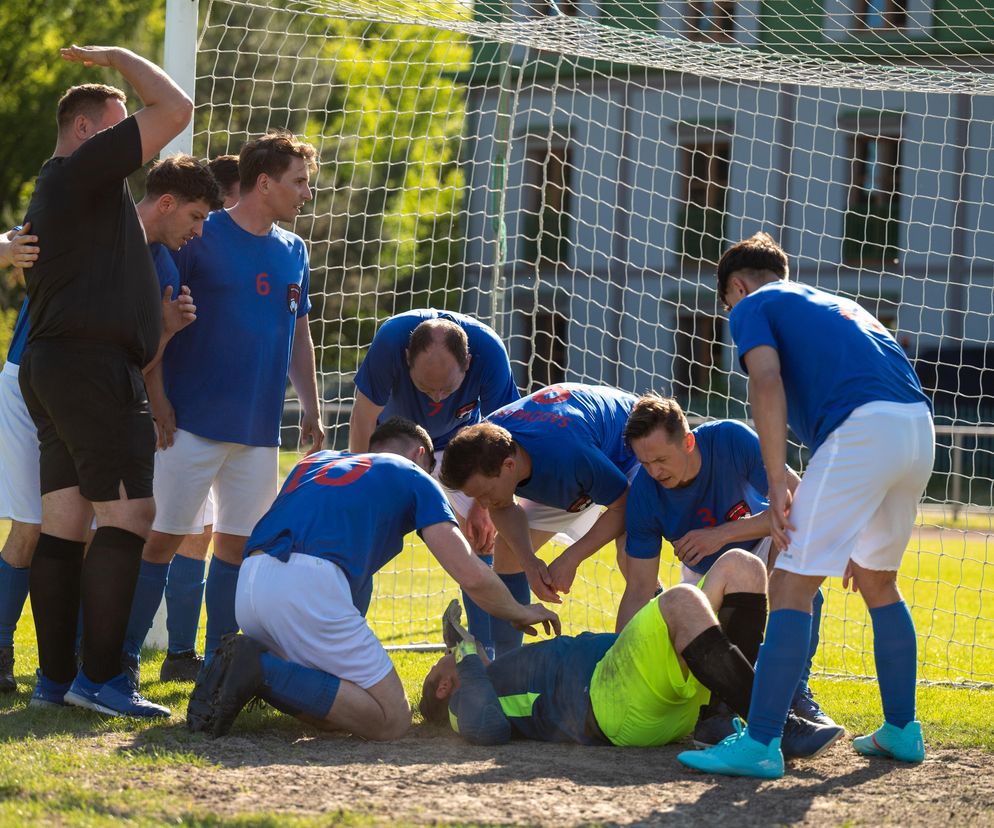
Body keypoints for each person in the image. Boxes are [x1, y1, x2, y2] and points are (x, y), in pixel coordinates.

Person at [679, 232, 933, 779]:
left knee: (790, 584)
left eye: (728, 302)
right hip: (917, 430)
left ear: (737, 288)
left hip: (862, 432)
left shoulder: (753, 305)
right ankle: (901, 730)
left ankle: (762, 741)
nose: (732, 312)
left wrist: (776, 478)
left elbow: (765, 383)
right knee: (877, 580)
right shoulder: (841, 305)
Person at [186, 417, 560, 740]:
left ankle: (251, 665)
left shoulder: (315, 462)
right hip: (306, 587)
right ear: (419, 456)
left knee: (341, 710)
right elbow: (470, 572)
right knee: (391, 719)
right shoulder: (413, 475)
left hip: (251, 586)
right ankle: (260, 668)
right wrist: (518, 610)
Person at [18, 45, 193, 718]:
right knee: (132, 516)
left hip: (55, 364)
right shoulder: (86, 168)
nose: (133, 140)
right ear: (89, 130)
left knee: (65, 525)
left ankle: (56, 681)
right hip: (91, 367)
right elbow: (177, 109)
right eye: (122, 124)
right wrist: (119, 58)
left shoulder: (58, 185)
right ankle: (102, 680)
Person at [128, 131, 326, 670]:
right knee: (162, 540)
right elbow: (159, 318)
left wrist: (309, 404)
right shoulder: (199, 233)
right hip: (187, 422)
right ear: (264, 183)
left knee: (235, 550)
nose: (308, 192)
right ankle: (119, 662)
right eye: (300, 182)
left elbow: (298, 332)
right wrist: (158, 397)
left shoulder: (294, 250)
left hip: (259, 430)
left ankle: (217, 664)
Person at [420, 548, 842, 760]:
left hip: (636, 689)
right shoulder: (461, 703)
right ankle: (773, 726)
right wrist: (463, 653)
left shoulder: (489, 678)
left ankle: (716, 719)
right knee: (679, 600)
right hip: (608, 706)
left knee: (742, 566)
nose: (457, 654)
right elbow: (489, 728)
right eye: (447, 662)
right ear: (444, 687)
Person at [621, 392, 836, 739]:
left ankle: (796, 694)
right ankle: (729, 705)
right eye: (644, 463)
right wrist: (621, 656)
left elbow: (800, 504)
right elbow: (639, 587)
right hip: (705, 579)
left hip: (763, 543)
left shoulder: (731, 440)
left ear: (688, 442)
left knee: (799, 571)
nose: (654, 472)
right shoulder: (644, 494)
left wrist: (719, 535)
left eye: (661, 459)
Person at [350, 309, 520, 654]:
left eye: (448, 389)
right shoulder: (390, 342)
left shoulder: (489, 352)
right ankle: (347, 642)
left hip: (462, 448)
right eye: (426, 387)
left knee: (481, 540)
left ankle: (488, 651)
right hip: (397, 445)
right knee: (363, 537)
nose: (437, 398)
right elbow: (362, 419)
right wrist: (361, 482)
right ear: (407, 358)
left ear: (469, 363)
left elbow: (504, 436)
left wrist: (482, 505)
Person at [440, 382, 641, 654]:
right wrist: (530, 562)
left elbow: (623, 504)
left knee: (632, 554)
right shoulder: (490, 443)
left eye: (485, 493)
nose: (484, 505)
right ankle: (506, 665)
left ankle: (645, 647)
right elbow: (502, 506)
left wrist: (571, 557)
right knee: (510, 551)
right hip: (573, 462)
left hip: (628, 450)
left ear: (509, 467)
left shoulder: (569, 455)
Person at [0, 225, 40, 692]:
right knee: (29, 525)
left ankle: (74, 657)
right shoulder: (61, 199)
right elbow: (7, 240)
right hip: (25, 377)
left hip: (89, 384)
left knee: (88, 531)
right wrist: (9, 248)